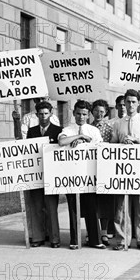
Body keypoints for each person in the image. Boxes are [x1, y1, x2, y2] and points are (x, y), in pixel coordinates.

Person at [110, 89, 140, 251]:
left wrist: (137, 141)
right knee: (121, 206)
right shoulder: (118, 123)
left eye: (133, 102)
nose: (130, 105)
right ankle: (122, 239)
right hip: (123, 169)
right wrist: (121, 144)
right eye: (127, 102)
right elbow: (112, 144)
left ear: (138, 104)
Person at [58, 100, 104, 250]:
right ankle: (75, 240)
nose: (81, 117)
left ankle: (95, 240)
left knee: (92, 207)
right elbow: (62, 141)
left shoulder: (93, 131)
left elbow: (100, 148)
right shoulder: (69, 129)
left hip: (89, 174)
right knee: (73, 208)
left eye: (84, 114)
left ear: (88, 115)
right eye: (78, 113)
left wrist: (86, 139)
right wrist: (79, 137)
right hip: (72, 175)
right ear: (73, 113)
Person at [24, 101, 63, 248]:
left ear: (51, 114)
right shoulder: (32, 131)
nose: (43, 116)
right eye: (40, 114)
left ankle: (54, 239)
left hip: (52, 175)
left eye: (46, 113)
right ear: (36, 115)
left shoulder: (58, 130)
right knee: (36, 206)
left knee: (51, 208)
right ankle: (38, 237)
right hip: (36, 174)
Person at [91, 99, 114, 246]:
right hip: (89, 167)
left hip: (104, 166)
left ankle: (104, 232)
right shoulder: (86, 127)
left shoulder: (109, 128)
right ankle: (92, 231)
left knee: (104, 201)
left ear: (105, 112)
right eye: (96, 111)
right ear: (92, 111)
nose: (99, 114)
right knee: (92, 201)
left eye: (102, 111)